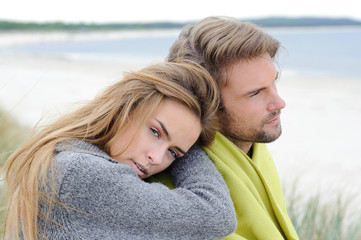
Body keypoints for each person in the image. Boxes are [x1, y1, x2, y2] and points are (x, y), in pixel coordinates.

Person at [1, 61, 237, 240]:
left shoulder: (64, 156)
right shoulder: (84, 175)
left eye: (173, 154)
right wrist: (188, 143)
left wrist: (186, 134)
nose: (156, 158)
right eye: (155, 132)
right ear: (125, 108)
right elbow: (216, 214)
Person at [155, 16, 300, 239]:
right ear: (207, 104)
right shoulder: (176, 193)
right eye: (255, 93)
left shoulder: (252, 144)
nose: (280, 103)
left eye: (274, 82)